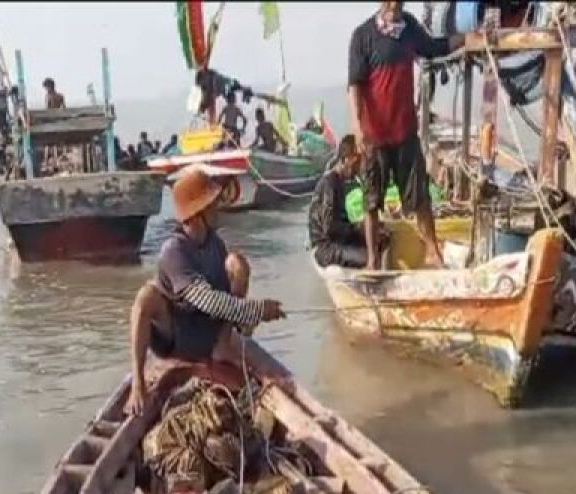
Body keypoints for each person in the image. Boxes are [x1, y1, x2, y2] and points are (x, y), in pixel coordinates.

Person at [125, 166, 286, 416]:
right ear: (198, 213)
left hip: (206, 331)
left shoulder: (215, 243)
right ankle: (138, 381)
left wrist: (245, 320)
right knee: (145, 297)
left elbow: (222, 292)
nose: (217, 207)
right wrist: (255, 310)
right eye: (212, 204)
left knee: (237, 264)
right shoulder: (173, 251)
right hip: (178, 336)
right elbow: (206, 300)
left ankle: (223, 346)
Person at [348, 1, 463, 269]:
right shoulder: (363, 35)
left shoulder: (410, 27)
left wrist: (465, 39)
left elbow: (435, 48)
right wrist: (357, 126)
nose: (395, 5)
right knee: (371, 201)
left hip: (405, 133)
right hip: (374, 136)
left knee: (419, 197)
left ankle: (433, 252)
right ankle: (373, 260)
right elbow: (354, 84)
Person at [308, 135, 388, 269]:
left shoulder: (340, 182)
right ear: (345, 160)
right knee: (370, 257)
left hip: (337, 241)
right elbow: (330, 228)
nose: (358, 168)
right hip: (325, 247)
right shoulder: (330, 184)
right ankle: (371, 282)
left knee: (381, 239)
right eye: (356, 163)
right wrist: (358, 229)